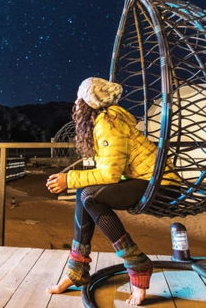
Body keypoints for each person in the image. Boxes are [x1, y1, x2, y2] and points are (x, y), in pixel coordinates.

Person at [46, 77, 180, 306]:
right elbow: (110, 169)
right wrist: (75, 181)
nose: (76, 103)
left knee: (89, 196)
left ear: (88, 101)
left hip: (161, 185)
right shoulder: (105, 120)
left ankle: (137, 264)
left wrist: (69, 179)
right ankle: (77, 271)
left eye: (79, 98)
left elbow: (110, 176)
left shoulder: (108, 122)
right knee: (84, 192)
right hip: (144, 180)